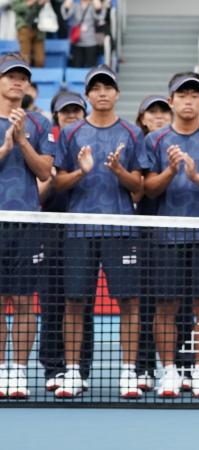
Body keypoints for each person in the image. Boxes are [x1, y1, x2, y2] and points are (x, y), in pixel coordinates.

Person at [51, 66, 145, 399]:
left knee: (129, 302)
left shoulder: (133, 134)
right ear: (88, 95)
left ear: (117, 94)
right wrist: (81, 171)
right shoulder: (70, 133)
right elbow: (58, 183)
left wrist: (119, 170)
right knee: (74, 302)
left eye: (108, 87)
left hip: (121, 230)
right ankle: (73, 371)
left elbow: (139, 187)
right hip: (79, 230)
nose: (102, 92)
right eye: (96, 88)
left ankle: (129, 373)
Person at [143, 72, 199, 398]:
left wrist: (196, 176)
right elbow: (146, 190)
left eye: (195, 95)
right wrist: (170, 171)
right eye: (182, 95)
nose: (188, 100)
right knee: (166, 306)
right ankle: (168, 371)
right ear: (171, 101)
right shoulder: (154, 141)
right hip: (166, 236)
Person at [0, 53, 56, 398]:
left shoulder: (39, 124)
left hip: (26, 223)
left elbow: (45, 172)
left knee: (22, 300)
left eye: (22, 76)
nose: (17, 81)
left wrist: (21, 140)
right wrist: (5, 147)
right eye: (10, 76)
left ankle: (17, 371)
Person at [37, 91, 93, 396]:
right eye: (65, 112)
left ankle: (80, 368)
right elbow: (43, 191)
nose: (71, 115)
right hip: (51, 232)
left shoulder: (91, 147)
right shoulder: (50, 148)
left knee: (81, 302)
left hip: (82, 234)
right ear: (57, 117)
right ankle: (53, 366)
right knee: (51, 302)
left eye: (76, 111)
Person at [133, 94, 173, 393]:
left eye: (164, 111)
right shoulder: (139, 147)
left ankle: (177, 368)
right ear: (142, 119)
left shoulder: (175, 146)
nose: (158, 116)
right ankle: (143, 367)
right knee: (145, 304)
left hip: (175, 237)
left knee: (175, 307)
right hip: (142, 235)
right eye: (152, 112)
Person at [61, 0, 105, 68]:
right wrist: (67, 4)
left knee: (91, 67)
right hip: (77, 41)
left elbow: (100, 17)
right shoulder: (75, 5)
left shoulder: (93, 5)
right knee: (76, 67)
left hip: (91, 42)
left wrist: (98, 6)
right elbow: (65, 15)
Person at [9, 0, 47, 67]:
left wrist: (42, 3)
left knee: (40, 61)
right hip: (24, 26)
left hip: (40, 27)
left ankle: (38, 76)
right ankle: (24, 75)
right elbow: (15, 7)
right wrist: (31, 2)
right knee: (25, 59)